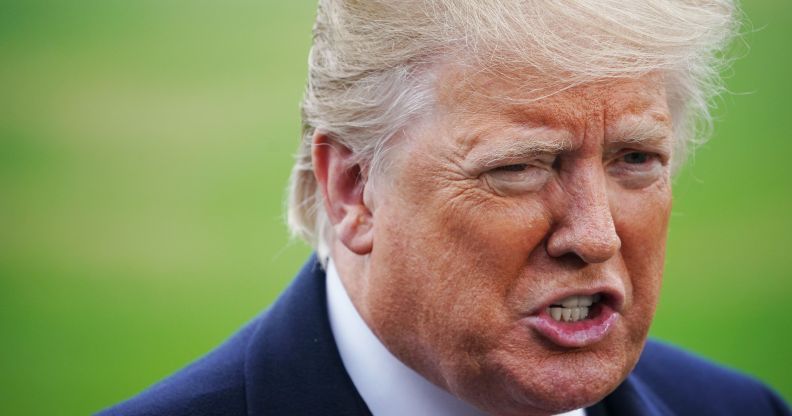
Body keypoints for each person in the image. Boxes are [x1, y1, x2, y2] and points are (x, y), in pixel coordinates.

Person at [97, 1, 791, 415]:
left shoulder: (741, 409)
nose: (595, 235)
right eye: (519, 168)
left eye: (635, 159)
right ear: (354, 189)